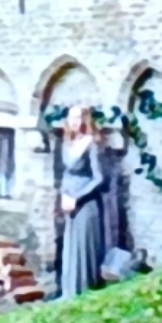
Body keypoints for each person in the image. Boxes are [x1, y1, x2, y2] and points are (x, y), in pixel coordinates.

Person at [56, 104, 107, 299]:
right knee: (71, 246)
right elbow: (66, 174)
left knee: (84, 245)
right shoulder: (67, 144)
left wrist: (78, 197)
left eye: (78, 117)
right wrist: (64, 195)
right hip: (69, 201)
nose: (74, 122)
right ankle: (69, 291)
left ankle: (84, 289)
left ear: (85, 120)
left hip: (86, 202)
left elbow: (99, 178)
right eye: (71, 117)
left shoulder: (92, 144)